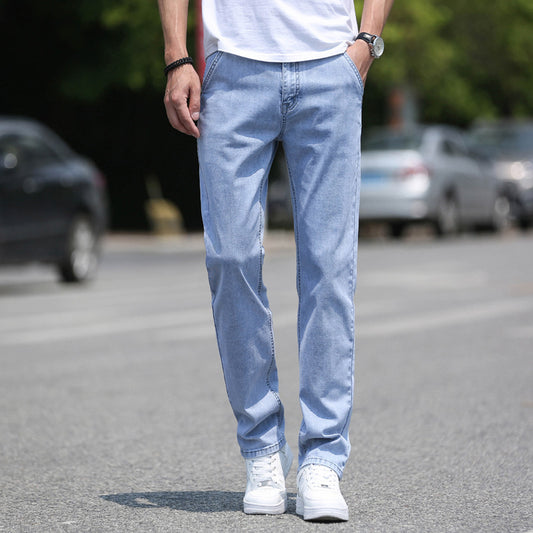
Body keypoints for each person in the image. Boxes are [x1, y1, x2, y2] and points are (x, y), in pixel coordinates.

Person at [157, 0, 394, 522]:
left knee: (329, 268)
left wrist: (367, 41)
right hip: (234, 69)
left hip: (332, 62)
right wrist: (177, 57)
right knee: (230, 256)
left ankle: (323, 458)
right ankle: (262, 451)